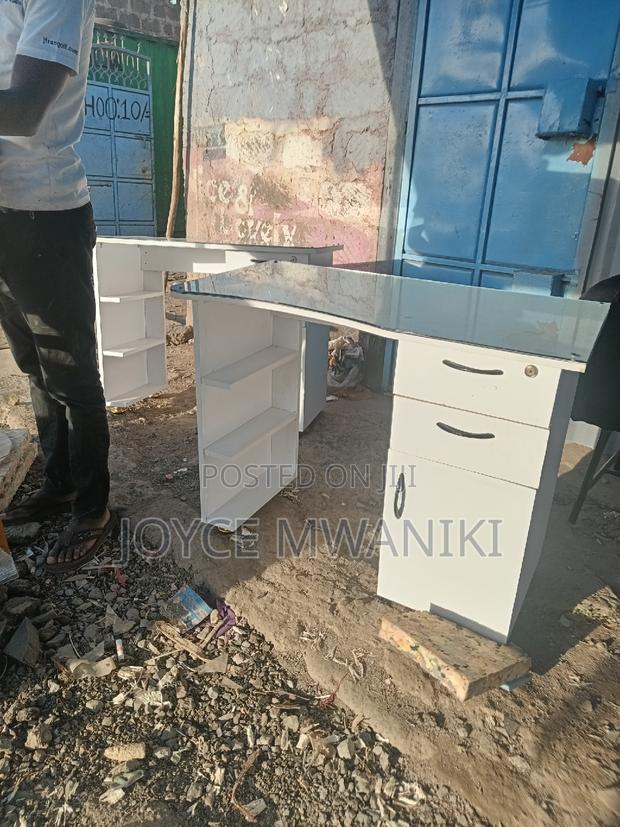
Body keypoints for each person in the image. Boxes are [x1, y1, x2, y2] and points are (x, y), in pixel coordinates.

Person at [0, 0, 115, 572]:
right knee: (34, 365)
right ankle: (61, 483)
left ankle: (93, 508)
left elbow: (24, 110)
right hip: (3, 213)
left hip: (44, 213)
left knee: (71, 373)